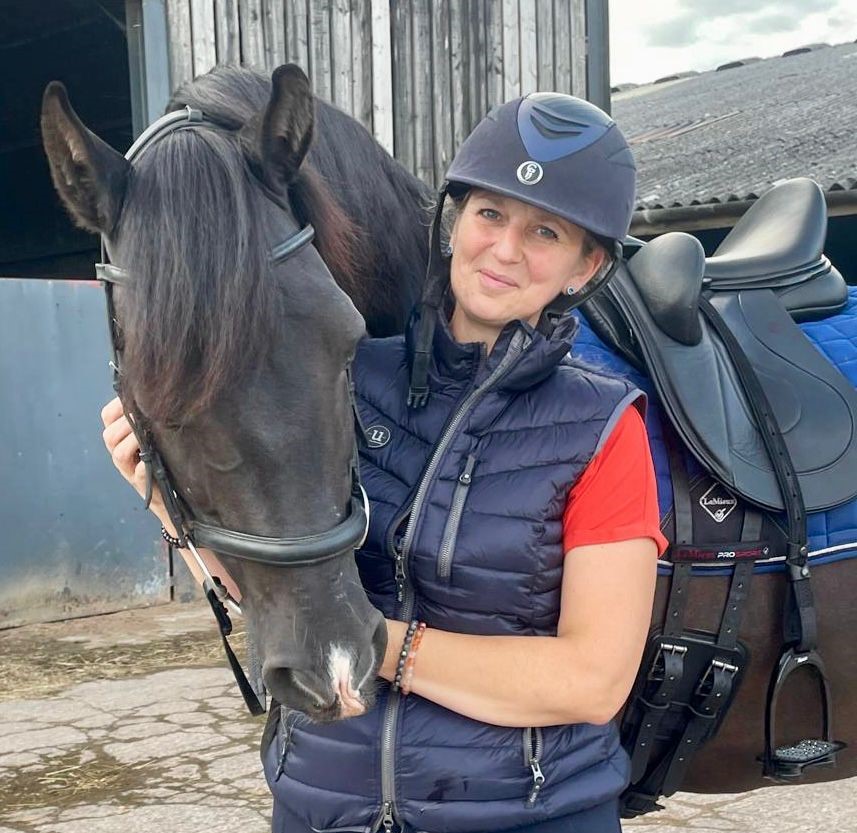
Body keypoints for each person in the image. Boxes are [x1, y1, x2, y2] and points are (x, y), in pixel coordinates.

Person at [102, 92, 666, 833]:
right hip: (323, 804)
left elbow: (592, 681)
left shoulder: (603, 427)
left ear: (582, 267)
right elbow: (281, 597)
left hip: (524, 813)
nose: (504, 249)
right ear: (453, 223)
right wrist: (164, 502)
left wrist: (374, 644)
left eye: (544, 231)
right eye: (489, 214)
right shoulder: (344, 376)